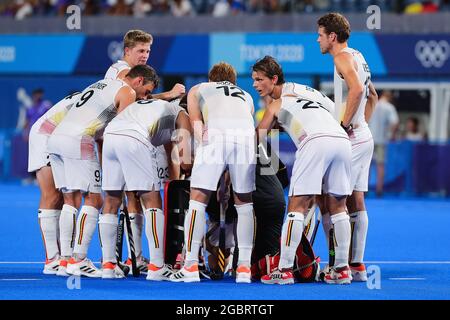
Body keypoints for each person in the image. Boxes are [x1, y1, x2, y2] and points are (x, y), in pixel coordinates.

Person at [47, 65, 158, 277]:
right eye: (146, 91)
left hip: (57, 138)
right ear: (139, 81)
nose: (144, 97)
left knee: (70, 200)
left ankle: (64, 261)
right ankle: (78, 259)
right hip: (79, 139)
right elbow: (121, 130)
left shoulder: (101, 84)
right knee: (94, 200)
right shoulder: (128, 92)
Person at [252, 55, 353, 285]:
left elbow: (257, 136)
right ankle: (341, 269)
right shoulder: (307, 95)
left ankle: (284, 270)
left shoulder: (276, 104)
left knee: (296, 207)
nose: (255, 85)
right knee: (338, 208)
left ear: (274, 79)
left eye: (259, 80)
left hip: (315, 143)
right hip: (341, 139)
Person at [105, 29, 186, 272]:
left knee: (127, 197)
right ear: (127, 51)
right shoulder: (122, 72)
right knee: (147, 197)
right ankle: (153, 262)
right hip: (129, 136)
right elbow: (138, 100)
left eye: (148, 51)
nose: (145, 55)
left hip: (117, 137)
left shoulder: (124, 74)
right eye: (140, 51)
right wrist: (169, 96)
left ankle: (130, 259)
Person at [170, 62, 256, 283]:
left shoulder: (199, 89)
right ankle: (244, 267)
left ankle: (189, 265)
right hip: (246, 141)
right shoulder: (246, 95)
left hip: (214, 137)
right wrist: (224, 179)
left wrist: (204, 158)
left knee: (197, 201)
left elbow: (196, 125)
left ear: (211, 79)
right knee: (244, 204)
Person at [100, 97, 193, 279]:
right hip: (134, 138)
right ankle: (157, 267)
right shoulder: (183, 116)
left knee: (111, 200)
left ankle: (108, 265)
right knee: (151, 199)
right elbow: (186, 162)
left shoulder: (159, 108)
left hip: (110, 136)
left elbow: (168, 148)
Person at [317, 12, 378, 281]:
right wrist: (361, 123)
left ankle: (339, 268)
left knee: (333, 200)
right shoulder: (359, 56)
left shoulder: (342, 57)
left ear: (332, 36)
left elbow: (356, 91)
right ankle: (357, 266)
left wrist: (343, 125)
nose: (317, 39)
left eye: (320, 34)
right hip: (364, 135)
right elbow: (372, 94)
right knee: (357, 200)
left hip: (351, 137)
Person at [28, 91, 81, 274]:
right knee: (52, 195)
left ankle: (57, 258)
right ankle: (52, 259)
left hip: (54, 134)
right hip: (46, 135)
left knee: (59, 197)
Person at [369, 90, 399, 196]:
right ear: (389, 97)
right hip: (381, 139)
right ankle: (379, 189)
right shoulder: (389, 107)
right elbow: (394, 122)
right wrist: (393, 135)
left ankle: (364, 189)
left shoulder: (372, 103)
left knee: (366, 164)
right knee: (380, 165)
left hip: (368, 138)